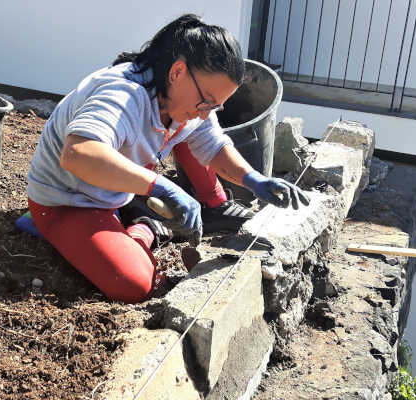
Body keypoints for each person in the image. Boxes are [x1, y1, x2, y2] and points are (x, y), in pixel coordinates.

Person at [26, 14, 309, 303]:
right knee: (134, 283)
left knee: (190, 128)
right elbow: (78, 154)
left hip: (110, 191)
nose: (206, 112)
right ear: (177, 72)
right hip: (67, 202)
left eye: (216, 106)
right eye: (206, 101)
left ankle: (143, 218)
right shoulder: (123, 94)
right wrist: (160, 186)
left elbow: (212, 145)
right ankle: (144, 229)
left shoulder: (180, 98)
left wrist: (253, 179)